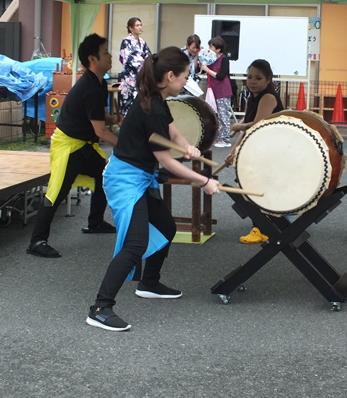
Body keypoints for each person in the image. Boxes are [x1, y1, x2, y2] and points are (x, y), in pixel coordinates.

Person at [86, 47, 221, 332]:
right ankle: (100, 308)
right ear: (170, 76)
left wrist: (188, 145)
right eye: (185, 77)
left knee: (166, 227)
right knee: (134, 244)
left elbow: (172, 131)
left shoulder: (156, 100)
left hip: (140, 175)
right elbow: (166, 161)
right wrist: (204, 182)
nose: (187, 82)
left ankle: (149, 283)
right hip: (125, 180)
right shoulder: (152, 108)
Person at [27, 34, 120, 259]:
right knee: (56, 192)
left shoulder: (100, 82)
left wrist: (117, 119)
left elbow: (100, 118)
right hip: (68, 145)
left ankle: (95, 222)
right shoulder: (89, 87)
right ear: (92, 59)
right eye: (105, 52)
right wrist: (129, 147)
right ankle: (37, 241)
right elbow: (100, 131)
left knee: (104, 176)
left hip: (84, 145)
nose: (110, 56)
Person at [222, 59, 284, 244]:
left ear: (268, 79)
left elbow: (257, 125)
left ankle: (262, 228)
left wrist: (238, 125)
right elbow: (247, 129)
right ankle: (270, 221)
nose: (252, 81)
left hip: (272, 150)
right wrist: (234, 151)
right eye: (249, 77)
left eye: (258, 78)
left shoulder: (268, 96)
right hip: (260, 149)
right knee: (253, 188)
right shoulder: (251, 98)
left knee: (258, 189)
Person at [201, 36, 233, 148]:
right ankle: (218, 137)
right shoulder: (211, 59)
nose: (209, 49)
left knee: (223, 114)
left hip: (222, 90)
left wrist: (208, 70)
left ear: (218, 49)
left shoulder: (224, 59)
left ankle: (226, 139)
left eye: (211, 47)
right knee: (215, 114)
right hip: (213, 90)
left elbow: (220, 76)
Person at [118, 17, 152, 117]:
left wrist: (145, 64)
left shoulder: (142, 42)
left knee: (140, 108)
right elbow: (127, 60)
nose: (140, 27)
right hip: (129, 80)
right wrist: (142, 63)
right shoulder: (126, 42)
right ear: (130, 28)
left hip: (141, 80)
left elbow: (149, 57)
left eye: (140, 25)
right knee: (128, 109)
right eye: (137, 25)